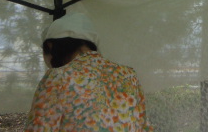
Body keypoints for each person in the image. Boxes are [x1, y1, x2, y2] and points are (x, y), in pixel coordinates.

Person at [24, 13, 153, 132]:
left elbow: (39, 128)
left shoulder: (58, 77)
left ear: (51, 46)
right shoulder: (129, 75)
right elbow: (143, 127)